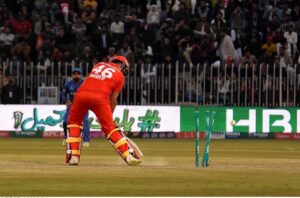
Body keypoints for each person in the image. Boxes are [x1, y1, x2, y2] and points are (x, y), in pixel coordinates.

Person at [65, 56, 142, 166]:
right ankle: (128, 156)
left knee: (74, 124)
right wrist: (109, 117)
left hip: (81, 95)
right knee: (110, 129)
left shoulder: (98, 65)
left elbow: (93, 81)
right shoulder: (120, 76)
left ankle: (73, 157)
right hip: (100, 99)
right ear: (122, 65)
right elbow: (113, 99)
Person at [62, 67, 90, 147]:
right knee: (65, 122)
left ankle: (86, 140)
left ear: (81, 75)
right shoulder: (68, 84)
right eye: (74, 74)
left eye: (78, 74)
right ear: (72, 75)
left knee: (85, 122)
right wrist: (66, 101)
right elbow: (63, 94)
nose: (76, 75)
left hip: (83, 106)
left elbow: (89, 94)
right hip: (72, 107)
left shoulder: (85, 83)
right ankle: (66, 138)